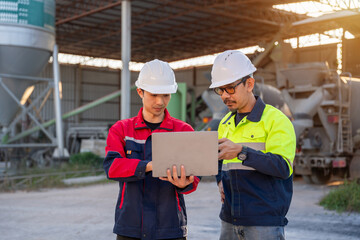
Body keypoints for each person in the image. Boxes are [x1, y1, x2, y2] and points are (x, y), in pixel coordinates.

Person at [104, 59, 200, 240]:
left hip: (170, 226)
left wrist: (185, 184)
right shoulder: (122, 130)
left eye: (166, 95)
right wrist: (149, 166)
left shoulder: (183, 131)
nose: (160, 101)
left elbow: (195, 174)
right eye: (154, 95)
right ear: (140, 91)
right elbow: (112, 167)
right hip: (130, 227)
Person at [209, 50, 296, 240]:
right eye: (220, 90)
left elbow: (283, 167)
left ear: (249, 84)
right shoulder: (225, 123)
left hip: (263, 222)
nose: (225, 96)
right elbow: (218, 159)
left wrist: (242, 152)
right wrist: (219, 180)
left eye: (230, 88)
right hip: (229, 219)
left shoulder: (276, 121)